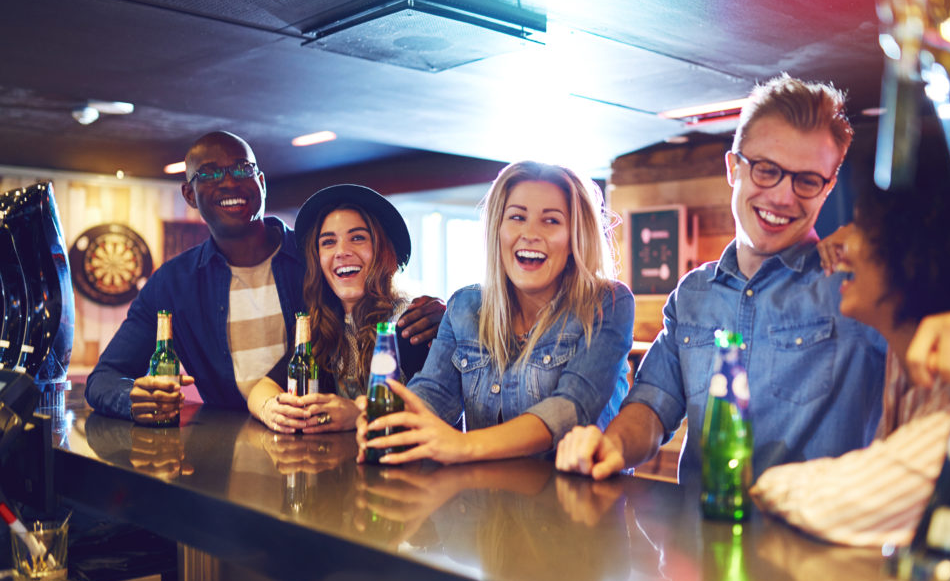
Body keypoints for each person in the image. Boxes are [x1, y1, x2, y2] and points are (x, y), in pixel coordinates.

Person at [556, 75, 887, 481]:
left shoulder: (859, 286)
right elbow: (652, 405)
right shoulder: (693, 294)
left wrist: (886, 242)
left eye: (806, 180)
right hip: (699, 534)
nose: (783, 197)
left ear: (828, 187)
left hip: (810, 541)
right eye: (767, 170)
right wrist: (613, 446)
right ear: (734, 168)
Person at [86, 131, 441, 424]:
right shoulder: (173, 283)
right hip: (226, 454)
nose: (229, 182)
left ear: (261, 181)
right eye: (209, 174)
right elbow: (103, 378)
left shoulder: (315, 263)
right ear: (189, 195)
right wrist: (134, 398)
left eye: (242, 169)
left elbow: (436, 402)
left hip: (329, 450)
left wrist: (445, 317)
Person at [750, 137, 950, 547]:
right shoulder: (905, 366)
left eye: (863, 228)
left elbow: (850, 502)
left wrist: (771, 482)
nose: (843, 247)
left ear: (909, 254)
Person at [356, 160, 635, 465]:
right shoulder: (465, 306)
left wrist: (463, 446)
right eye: (517, 217)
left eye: (551, 221)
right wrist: (390, 421)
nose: (530, 233)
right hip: (485, 506)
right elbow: (433, 394)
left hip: (579, 504)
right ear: (497, 230)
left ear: (575, 238)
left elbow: (571, 408)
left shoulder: (607, 303)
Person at [247, 185, 431, 433]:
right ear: (317, 259)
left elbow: (435, 409)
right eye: (328, 242)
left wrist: (358, 413)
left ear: (383, 250)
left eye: (357, 238)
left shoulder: (415, 322)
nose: (342, 252)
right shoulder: (322, 326)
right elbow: (261, 388)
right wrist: (272, 409)